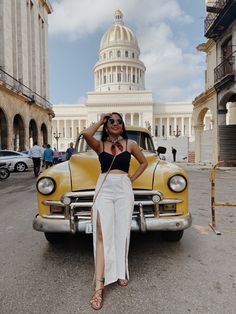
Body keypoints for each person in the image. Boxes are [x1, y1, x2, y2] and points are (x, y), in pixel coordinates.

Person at [83, 112, 148, 310]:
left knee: (122, 232)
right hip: (104, 187)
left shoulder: (130, 144)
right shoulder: (100, 145)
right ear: (107, 123)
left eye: (119, 121)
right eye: (112, 121)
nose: (116, 123)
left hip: (123, 189)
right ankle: (99, 285)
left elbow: (144, 162)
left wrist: (132, 178)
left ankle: (121, 272)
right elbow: (86, 134)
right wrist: (100, 121)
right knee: (102, 234)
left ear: (123, 125)